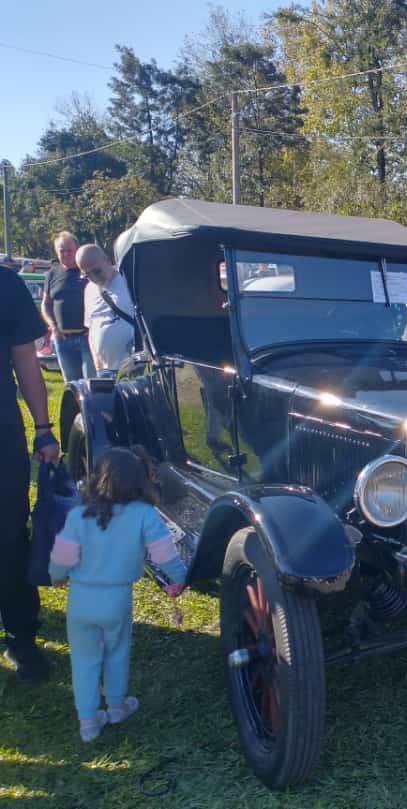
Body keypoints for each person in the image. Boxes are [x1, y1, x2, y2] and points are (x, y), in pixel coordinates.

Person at [48, 447, 187, 742]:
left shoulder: (78, 514)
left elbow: (62, 556)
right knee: (116, 651)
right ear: (141, 481)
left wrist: (56, 577)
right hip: (117, 599)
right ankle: (116, 705)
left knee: (84, 660)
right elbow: (165, 556)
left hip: (81, 599)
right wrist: (182, 579)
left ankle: (88, 721)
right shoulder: (145, 515)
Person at [1, 265, 59, 683]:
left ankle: (21, 637)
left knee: (8, 535)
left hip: (1, 432)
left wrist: (43, 428)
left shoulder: (5, 284)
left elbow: (26, 360)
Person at [42, 231, 95, 381]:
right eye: (61, 251)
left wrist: (93, 327)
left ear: (77, 249)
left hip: (87, 338)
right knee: (71, 386)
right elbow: (46, 304)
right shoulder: (52, 274)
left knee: (91, 384)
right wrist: (53, 326)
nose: (65, 254)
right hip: (62, 339)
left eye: (69, 250)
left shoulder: (88, 271)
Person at [76, 244, 136, 374]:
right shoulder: (89, 289)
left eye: (96, 271)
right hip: (105, 370)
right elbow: (91, 328)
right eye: (87, 275)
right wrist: (96, 362)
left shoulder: (130, 281)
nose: (93, 277)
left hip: (135, 367)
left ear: (107, 260)